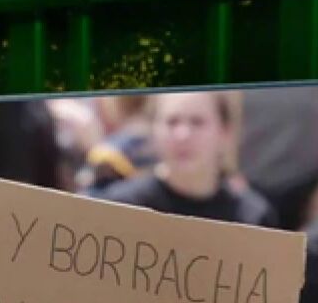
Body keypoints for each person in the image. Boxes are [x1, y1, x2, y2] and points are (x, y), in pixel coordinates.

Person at [98, 90, 278, 228]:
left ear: (225, 132)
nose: (182, 135)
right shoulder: (121, 208)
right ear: (154, 130)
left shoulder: (252, 219)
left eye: (197, 122)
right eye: (172, 121)